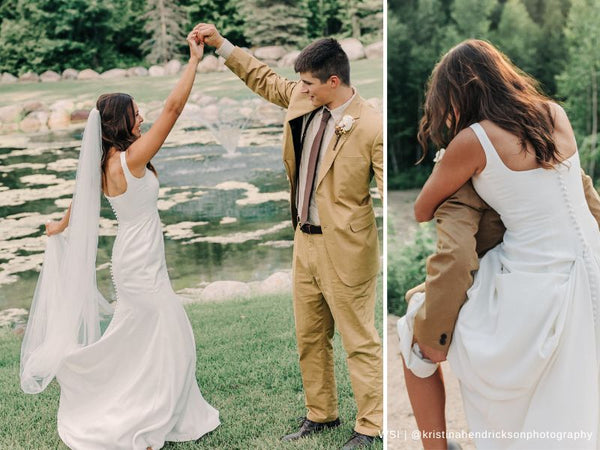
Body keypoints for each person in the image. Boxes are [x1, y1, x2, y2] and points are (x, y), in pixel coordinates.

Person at [20, 30, 220, 449]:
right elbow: (174, 107)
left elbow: (81, 200)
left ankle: (138, 398)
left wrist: (61, 225)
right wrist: (193, 62)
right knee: (172, 334)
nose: (142, 117)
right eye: (134, 113)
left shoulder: (103, 162)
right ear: (119, 122)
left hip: (132, 257)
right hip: (141, 263)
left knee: (143, 335)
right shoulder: (132, 158)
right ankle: (142, 411)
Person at [398, 39, 600, 449]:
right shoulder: (553, 114)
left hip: (536, 279)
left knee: (411, 326)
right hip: (590, 261)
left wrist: (447, 161)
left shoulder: (473, 140)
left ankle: (434, 446)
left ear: (457, 92)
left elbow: (421, 209)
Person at [193, 23, 383, 448]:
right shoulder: (301, 96)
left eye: (310, 83)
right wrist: (221, 46)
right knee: (310, 337)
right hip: (305, 242)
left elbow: (389, 188)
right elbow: (263, 78)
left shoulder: (371, 125)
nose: (302, 89)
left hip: (348, 250)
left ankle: (370, 426)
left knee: (359, 342)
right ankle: (322, 414)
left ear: (334, 82)